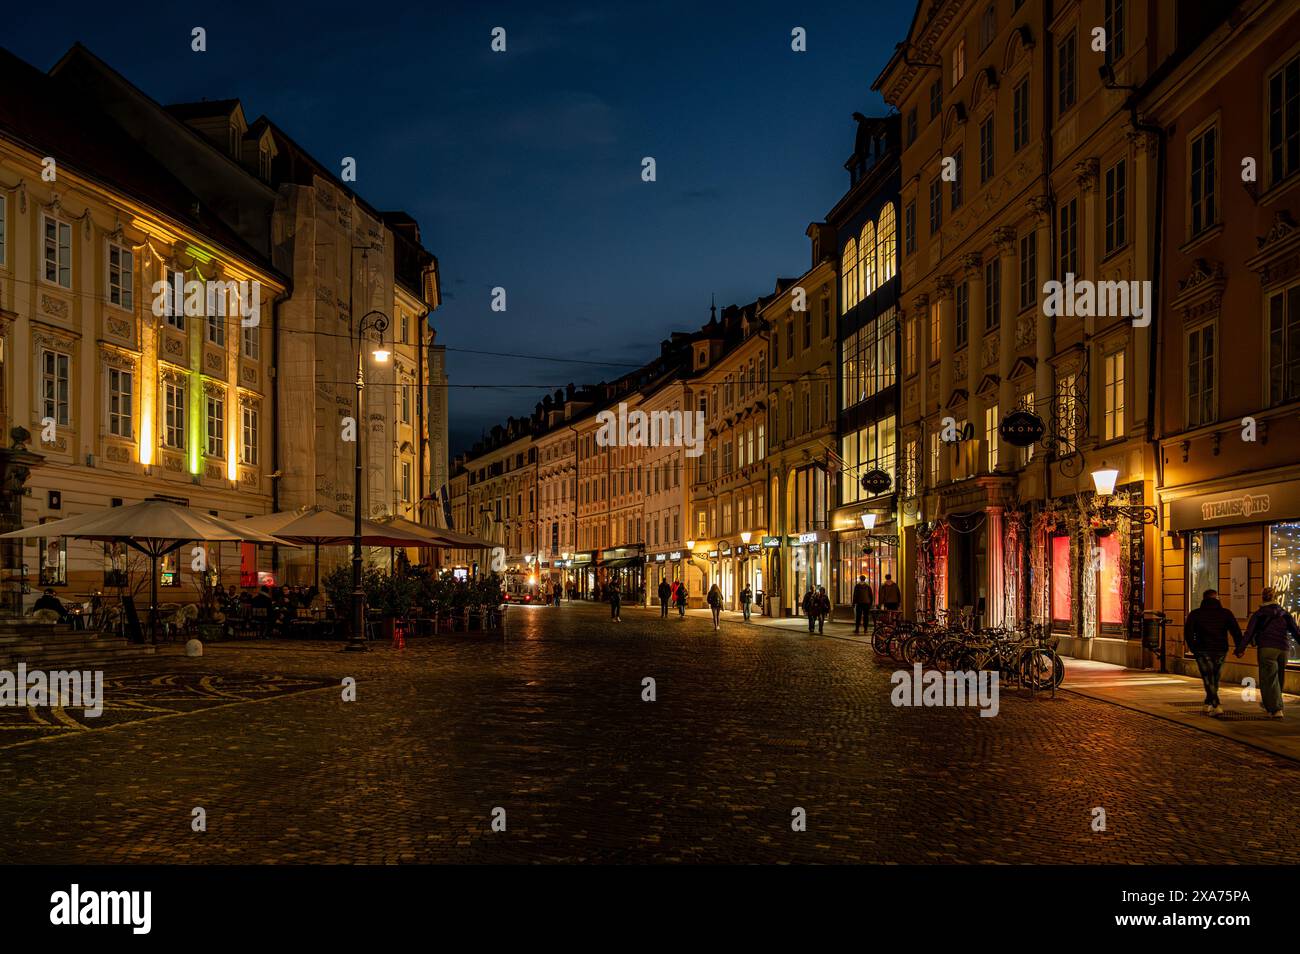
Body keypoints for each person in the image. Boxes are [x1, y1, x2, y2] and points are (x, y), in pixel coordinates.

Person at [1237, 587, 1299, 718]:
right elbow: (1296, 632)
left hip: (1267, 648)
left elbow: (1249, 633)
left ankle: (1276, 708)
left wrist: (1241, 649)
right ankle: (1274, 703)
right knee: (1279, 678)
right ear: (1275, 597)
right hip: (1283, 649)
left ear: (1262, 597)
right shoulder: (1285, 614)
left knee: (1268, 679)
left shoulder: (1259, 614)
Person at [1184, 588, 1242, 716]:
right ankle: (1209, 703)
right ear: (1217, 598)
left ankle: (1215, 704)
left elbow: (1188, 633)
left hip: (1202, 649)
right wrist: (1239, 648)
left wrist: (1193, 648)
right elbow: (1236, 631)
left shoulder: (1195, 614)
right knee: (1215, 677)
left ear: (1203, 599)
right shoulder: (1226, 613)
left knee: (1208, 677)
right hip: (1220, 649)